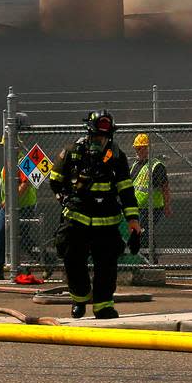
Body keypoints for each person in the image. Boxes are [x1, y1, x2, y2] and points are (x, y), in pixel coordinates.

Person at [49, 110, 141, 319]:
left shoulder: (117, 156)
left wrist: (133, 222)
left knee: (107, 264)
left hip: (107, 220)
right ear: (89, 134)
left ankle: (103, 306)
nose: (101, 141)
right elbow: (55, 179)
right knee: (72, 258)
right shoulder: (73, 152)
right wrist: (64, 198)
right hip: (77, 217)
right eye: (97, 137)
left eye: (105, 137)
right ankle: (80, 298)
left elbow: (126, 190)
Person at [0, 136, 39, 280]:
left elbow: (25, 185)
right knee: (0, 236)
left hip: (23, 206)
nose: (5, 148)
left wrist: (9, 200)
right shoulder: (7, 161)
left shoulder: (24, 161)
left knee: (21, 239)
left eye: (8, 145)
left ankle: (44, 260)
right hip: (8, 206)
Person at [131, 133, 171, 262]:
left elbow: (165, 188)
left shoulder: (156, 166)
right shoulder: (135, 165)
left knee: (143, 231)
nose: (138, 151)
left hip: (152, 208)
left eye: (141, 148)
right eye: (137, 148)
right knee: (141, 232)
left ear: (148, 148)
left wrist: (167, 206)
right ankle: (146, 259)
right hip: (137, 208)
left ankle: (150, 260)